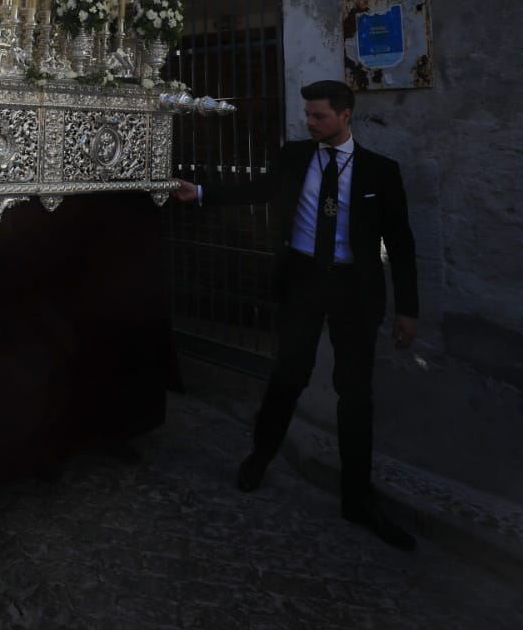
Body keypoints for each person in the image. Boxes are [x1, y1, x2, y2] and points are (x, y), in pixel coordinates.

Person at [171, 79, 418, 550]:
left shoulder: (380, 173)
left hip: (353, 291)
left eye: (319, 116)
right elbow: (258, 190)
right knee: (288, 376)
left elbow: (402, 244)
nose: (310, 122)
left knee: (355, 394)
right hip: (303, 281)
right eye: (307, 115)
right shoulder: (295, 157)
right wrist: (200, 192)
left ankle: (357, 497)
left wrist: (409, 309)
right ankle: (259, 457)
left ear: (346, 116)